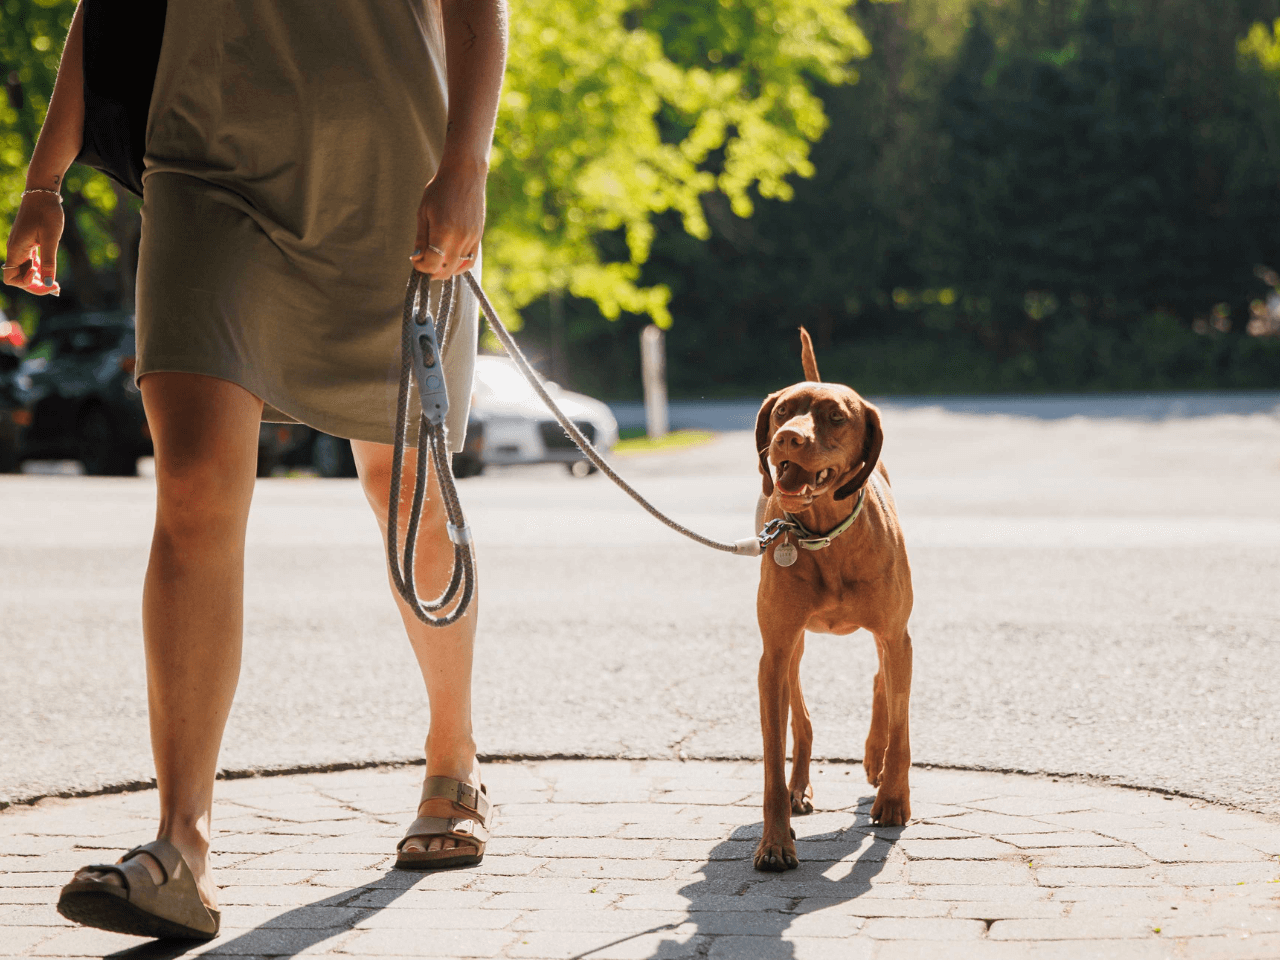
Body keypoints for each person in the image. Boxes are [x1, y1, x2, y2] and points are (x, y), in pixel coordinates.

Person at [3, 0, 507, 940]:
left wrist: (466, 162)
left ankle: (452, 755)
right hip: (205, 169)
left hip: (394, 175)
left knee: (404, 489)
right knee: (191, 485)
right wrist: (46, 178)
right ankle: (178, 845)